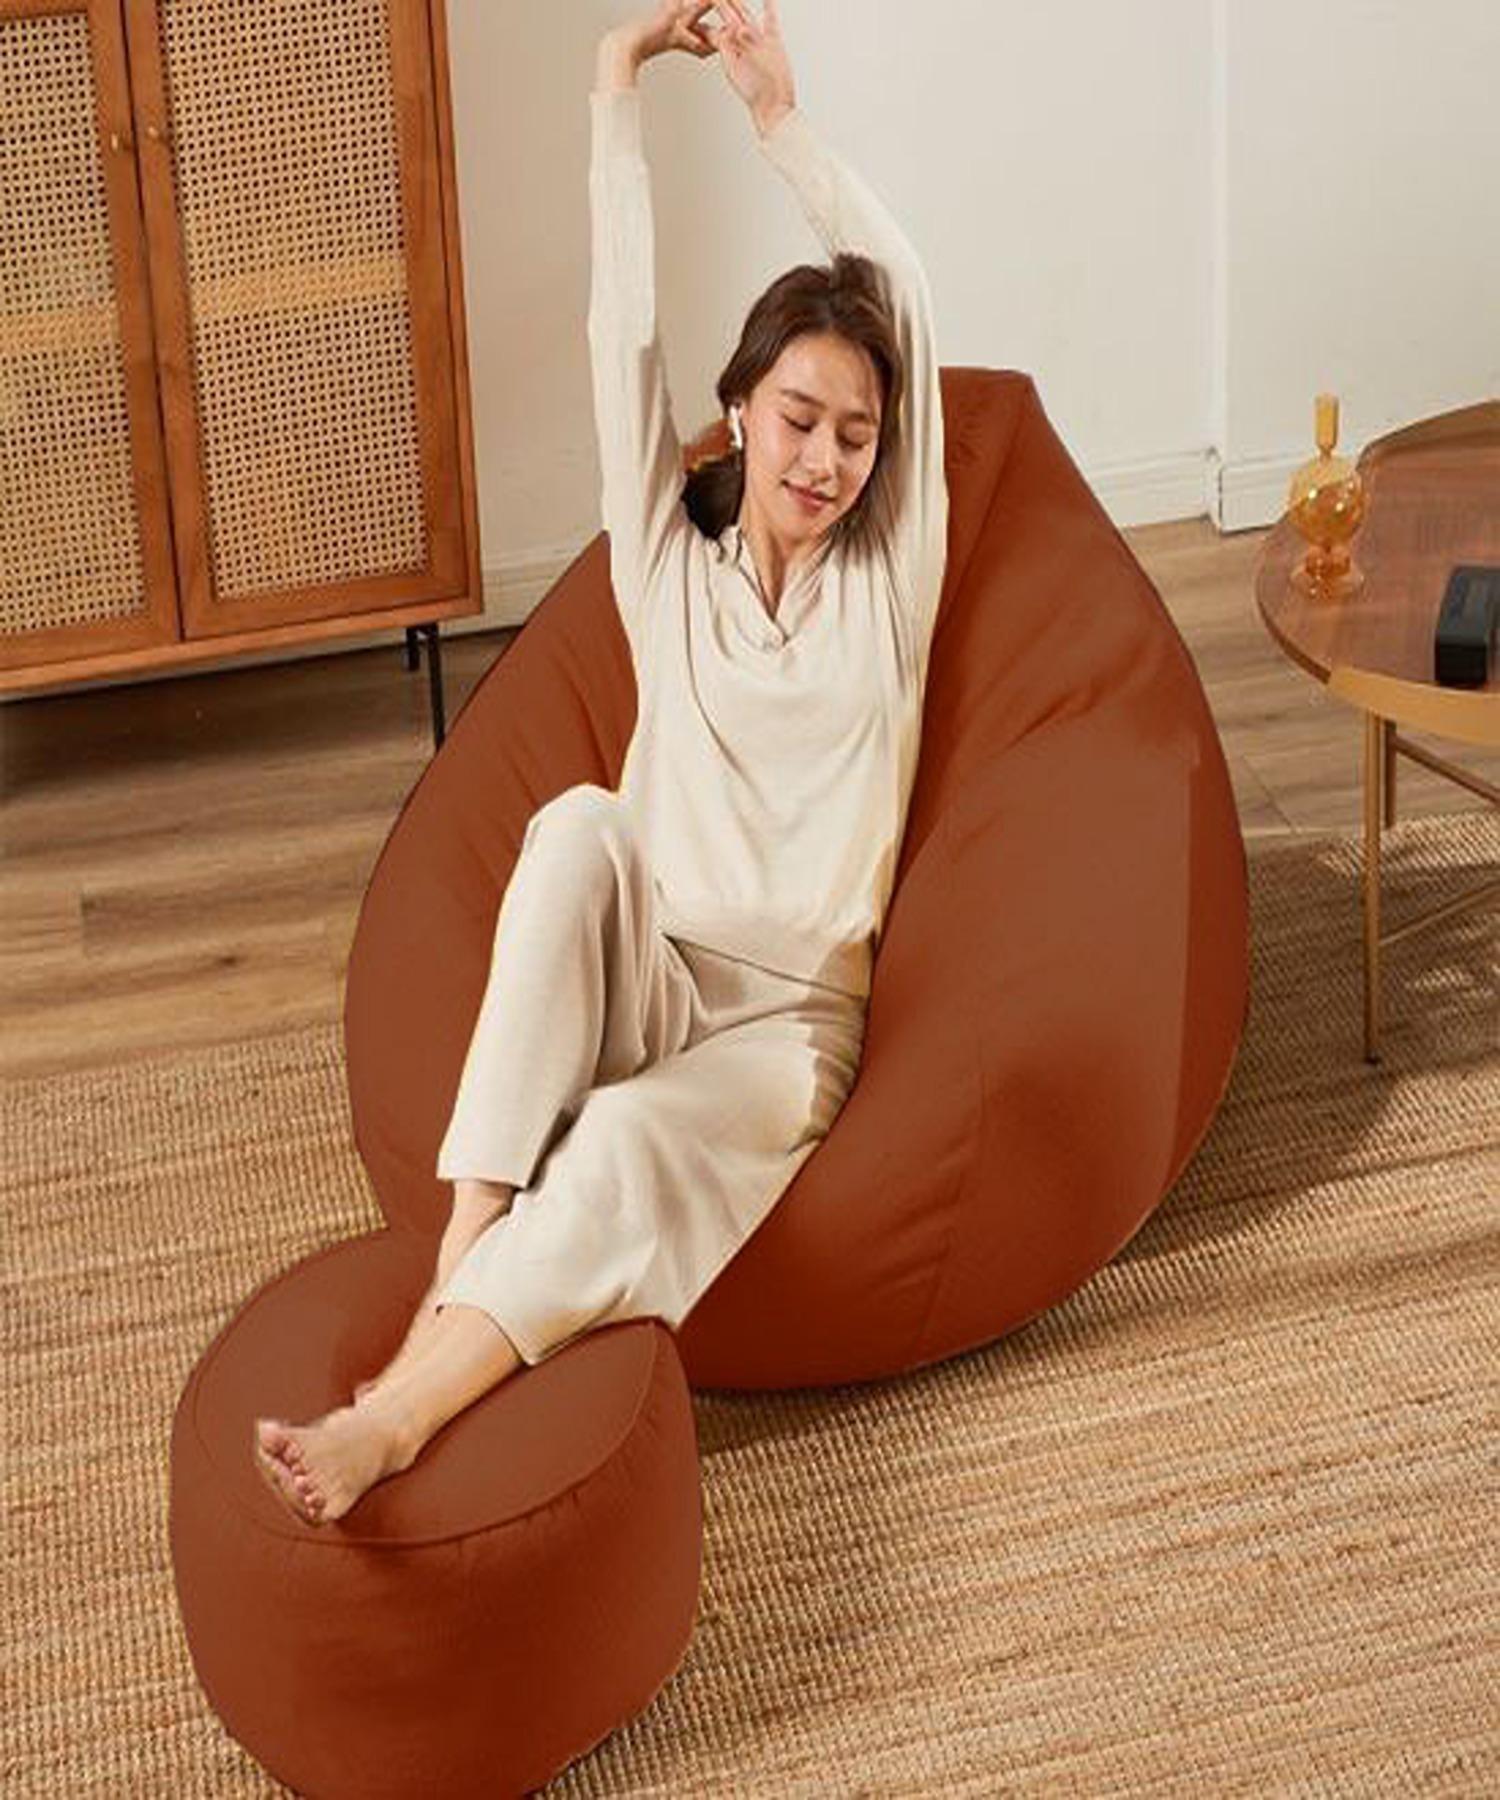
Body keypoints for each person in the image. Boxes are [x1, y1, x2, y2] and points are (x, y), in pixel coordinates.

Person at [253, 0, 947, 1526]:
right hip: (653, 968)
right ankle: (470, 1244)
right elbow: (616, 333)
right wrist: (612, 78)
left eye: (855, 435)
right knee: (576, 823)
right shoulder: (666, 558)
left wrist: (778, 124)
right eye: (798, 419)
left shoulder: (889, 582)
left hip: (785, 1026)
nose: (825, 460)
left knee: (627, 1135)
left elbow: (902, 290)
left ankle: (395, 1418)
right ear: (738, 414)